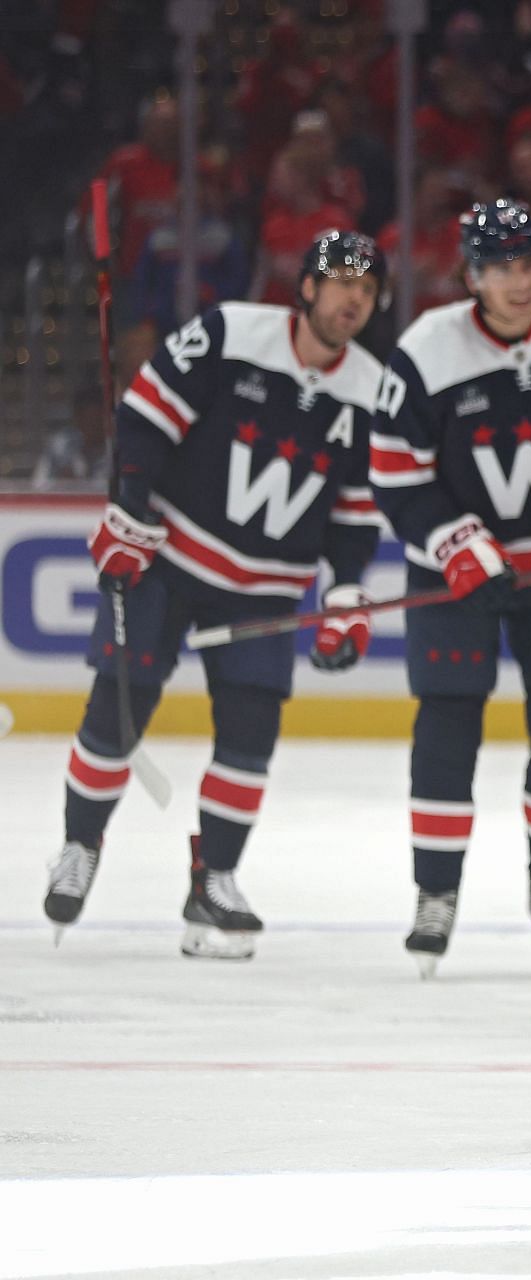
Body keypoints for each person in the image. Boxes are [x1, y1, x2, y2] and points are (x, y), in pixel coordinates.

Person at [45, 230, 386, 960]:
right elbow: (145, 417)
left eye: (367, 288)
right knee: (116, 710)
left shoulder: (371, 390)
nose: (353, 298)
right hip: (170, 559)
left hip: (264, 590)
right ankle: (79, 846)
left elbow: (355, 509)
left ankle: (216, 880)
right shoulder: (231, 333)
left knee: (250, 738)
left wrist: (350, 588)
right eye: (340, 282)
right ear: (306, 288)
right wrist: (130, 508)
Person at [370, 198, 531, 978]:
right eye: (499, 269)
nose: (519, 283)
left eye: (529, 265)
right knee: (447, 726)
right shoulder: (427, 348)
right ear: (471, 277)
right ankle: (435, 893)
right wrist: (457, 543)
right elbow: (395, 471)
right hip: (459, 572)